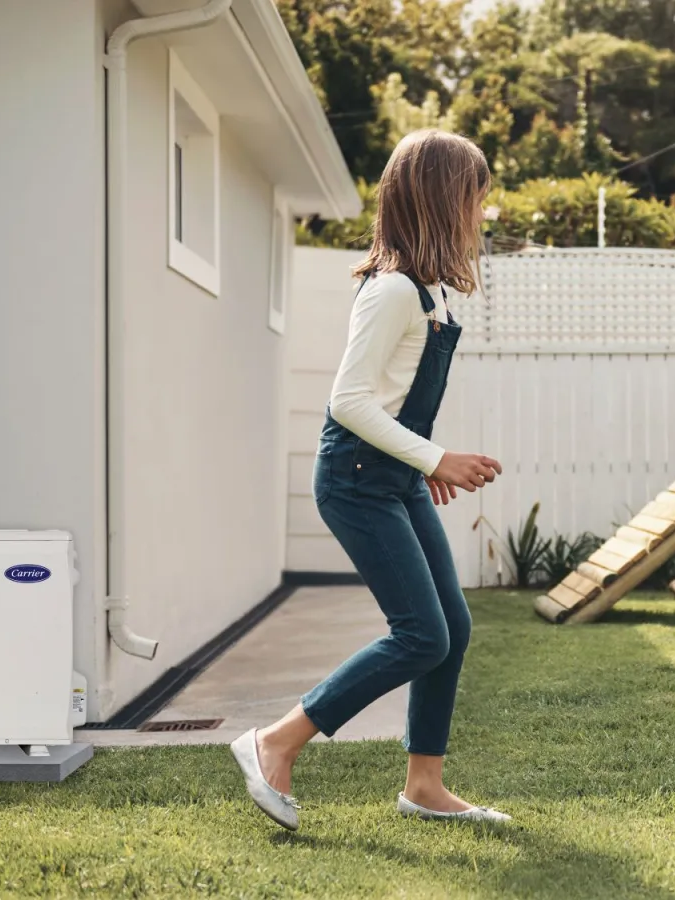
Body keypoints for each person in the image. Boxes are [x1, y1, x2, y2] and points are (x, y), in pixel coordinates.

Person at [230, 130, 509, 829]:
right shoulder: (391, 292)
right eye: (476, 196)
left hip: (394, 477)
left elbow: (388, 398)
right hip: (356, 480)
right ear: (445, 200)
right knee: (421, 633)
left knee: (453, 627)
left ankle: (424, 786)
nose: (483, 212)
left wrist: (422, 461)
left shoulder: (433, 293)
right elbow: (349, 401)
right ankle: (274, 742)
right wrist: (434, 456)